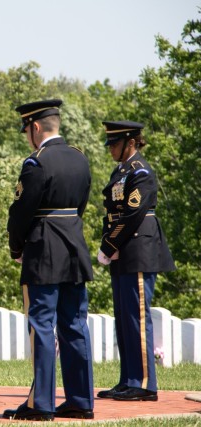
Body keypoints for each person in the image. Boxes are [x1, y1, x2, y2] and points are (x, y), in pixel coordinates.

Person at [3, 100, 95, 421]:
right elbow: (81, 205)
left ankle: (40, 404)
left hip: (43, 251)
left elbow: (20, 214)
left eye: (27, 129)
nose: (27, 135)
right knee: (74, 325)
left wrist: (17, 248)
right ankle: (81, 400)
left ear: (36, 128)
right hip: (75, 248)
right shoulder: (80, 159)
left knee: (41, 325)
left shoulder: (36, 163)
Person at [96, 121, 175, 402]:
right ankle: (128, 379)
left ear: (130, 142)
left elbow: (132, 213)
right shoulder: (121, 172)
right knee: (124, 318)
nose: (110, 150)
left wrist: (108, 244)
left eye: (114, 144)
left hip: (138, 249)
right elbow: (114, 213)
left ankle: (144, 384)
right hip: (124, 249)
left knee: (137, 319)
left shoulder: (140, 172)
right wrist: (111, 244)